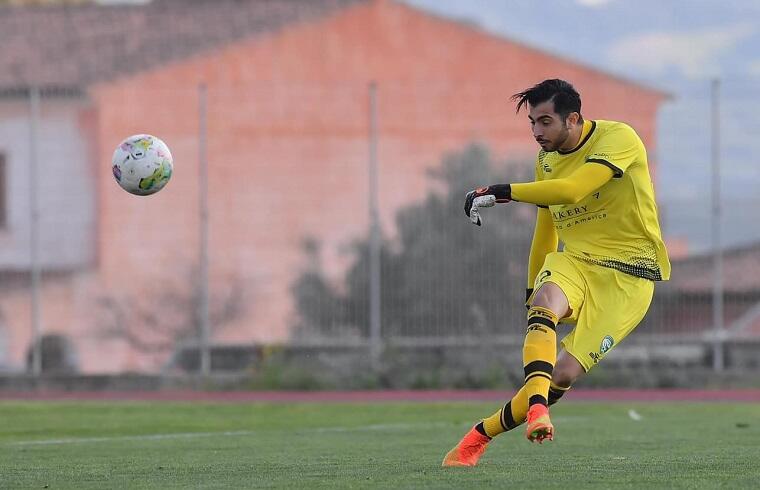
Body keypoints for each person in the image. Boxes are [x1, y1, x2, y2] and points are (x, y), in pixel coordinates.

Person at [442, 79, 671, 467]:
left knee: (562, 374)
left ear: (573, 119)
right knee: (546, 301)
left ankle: (478, 435)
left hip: (631, 275)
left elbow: (571, 191)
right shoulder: (545, 161)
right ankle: (536, 411)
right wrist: (533, 289)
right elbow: (546, 229)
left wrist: (504, 190)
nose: (536, 132)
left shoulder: (620, 138)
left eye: (545, 121)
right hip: (577, 261)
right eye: (532, 122)